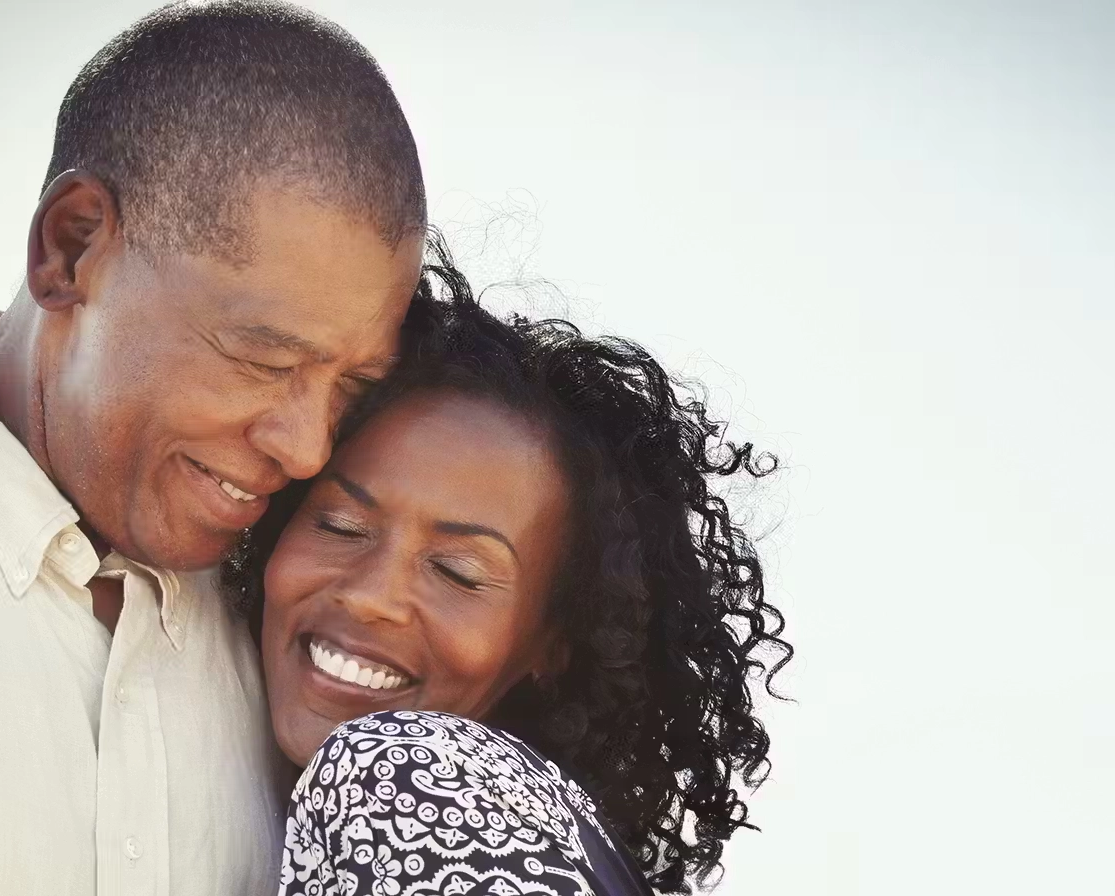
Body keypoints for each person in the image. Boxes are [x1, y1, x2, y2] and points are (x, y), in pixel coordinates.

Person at [0, 3, 428, 892]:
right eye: (263, 358)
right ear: (71, 248)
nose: (306, 448)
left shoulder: (297, 642)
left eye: (352, 386)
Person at [225, 270, 793, 894]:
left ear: (555, 640)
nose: (371, 594)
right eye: (341, 526)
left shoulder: (401, 774)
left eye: (456, 573)